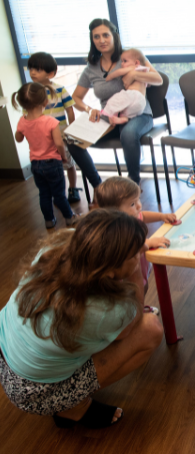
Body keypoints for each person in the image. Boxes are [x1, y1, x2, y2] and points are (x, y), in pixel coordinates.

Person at [0, 209, 163, 427]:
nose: (139, 253)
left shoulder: (59, 245)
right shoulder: (106, 311)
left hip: (6, 353)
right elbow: (129, 326)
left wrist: (133, 251)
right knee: (150, 330)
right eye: (133, 255)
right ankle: (73, 408)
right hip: (33, 393)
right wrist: (136, 269)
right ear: (108, 270)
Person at [68, 18, 163, 186]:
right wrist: (89, 110)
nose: (101, 40)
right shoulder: (91, 68)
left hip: (138, 115)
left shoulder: (129, 57)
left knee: (128, 134)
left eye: (105, 35)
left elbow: (158, 79)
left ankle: (132, 184)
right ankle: (99, 186)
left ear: (114, 36)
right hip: (108, 116)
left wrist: (135, 74)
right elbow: (75, 98)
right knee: (73, 141)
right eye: (96, 37)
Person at [94, 176, 177, 314]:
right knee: (133, 291)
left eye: (137, 199)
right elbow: (132, 247)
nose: (139, 205)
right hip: (127, 273)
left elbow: (143, 215)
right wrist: (150, 242)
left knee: (143, 286)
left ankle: (140, 308)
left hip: (140, 265)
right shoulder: (118, 229)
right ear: (114, 211)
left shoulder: (133, 215)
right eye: (132, 204)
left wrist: (161, 217)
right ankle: (135, 313)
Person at [12, 82, 78, 229]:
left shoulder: (23, 121)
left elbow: (18, 138)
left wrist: (20, 128)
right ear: (45, 101)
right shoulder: (51, 122)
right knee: (59, 194)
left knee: (44, 194)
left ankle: (49, 220)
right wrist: (64, 157)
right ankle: (69, 217)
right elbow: (59, 144)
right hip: (52, 163)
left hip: (35, 164)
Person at [27, 52, 82, 203]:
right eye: (31, 68)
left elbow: (70, 109)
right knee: (51, 167)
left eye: (37, 70)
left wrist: (71, 128)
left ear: (50, 73)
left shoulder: (60, 89)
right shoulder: (30, 92)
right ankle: (58, 193)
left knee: (69, 163)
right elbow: (28, 114)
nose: (32, 72)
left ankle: (72, 188)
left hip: (62, 134)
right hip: (42, 138)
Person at [101, 48, 151, 125]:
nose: (122, 64)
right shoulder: (145, 71)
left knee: (114, 100)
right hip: (141, 103)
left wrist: (110, 76)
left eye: (125, 61)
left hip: (133, 95)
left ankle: (109, 114)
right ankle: (124, 119)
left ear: (136, 62)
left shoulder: (134, 67)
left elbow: (119, 72)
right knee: (127, 113)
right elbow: (148, 84)